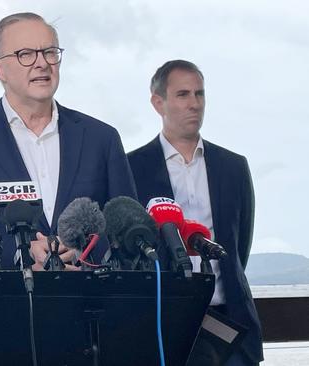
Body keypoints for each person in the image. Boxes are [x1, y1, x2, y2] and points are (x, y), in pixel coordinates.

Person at [0, 13, 136, 365]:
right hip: (0, 338)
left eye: (50, 52)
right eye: (26, 54)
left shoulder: (102, 139)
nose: (42, 63)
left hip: (91, 335)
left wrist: (86, 256)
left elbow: (129, 235)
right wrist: (18, 255)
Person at [127, 60, 263, 365]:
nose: (194, 104)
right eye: (183, 94)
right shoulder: (132, 168)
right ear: (158, 102)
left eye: (200, 94)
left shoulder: (233, 167)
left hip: (229, 322)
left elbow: (239, 245)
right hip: (162, 324)